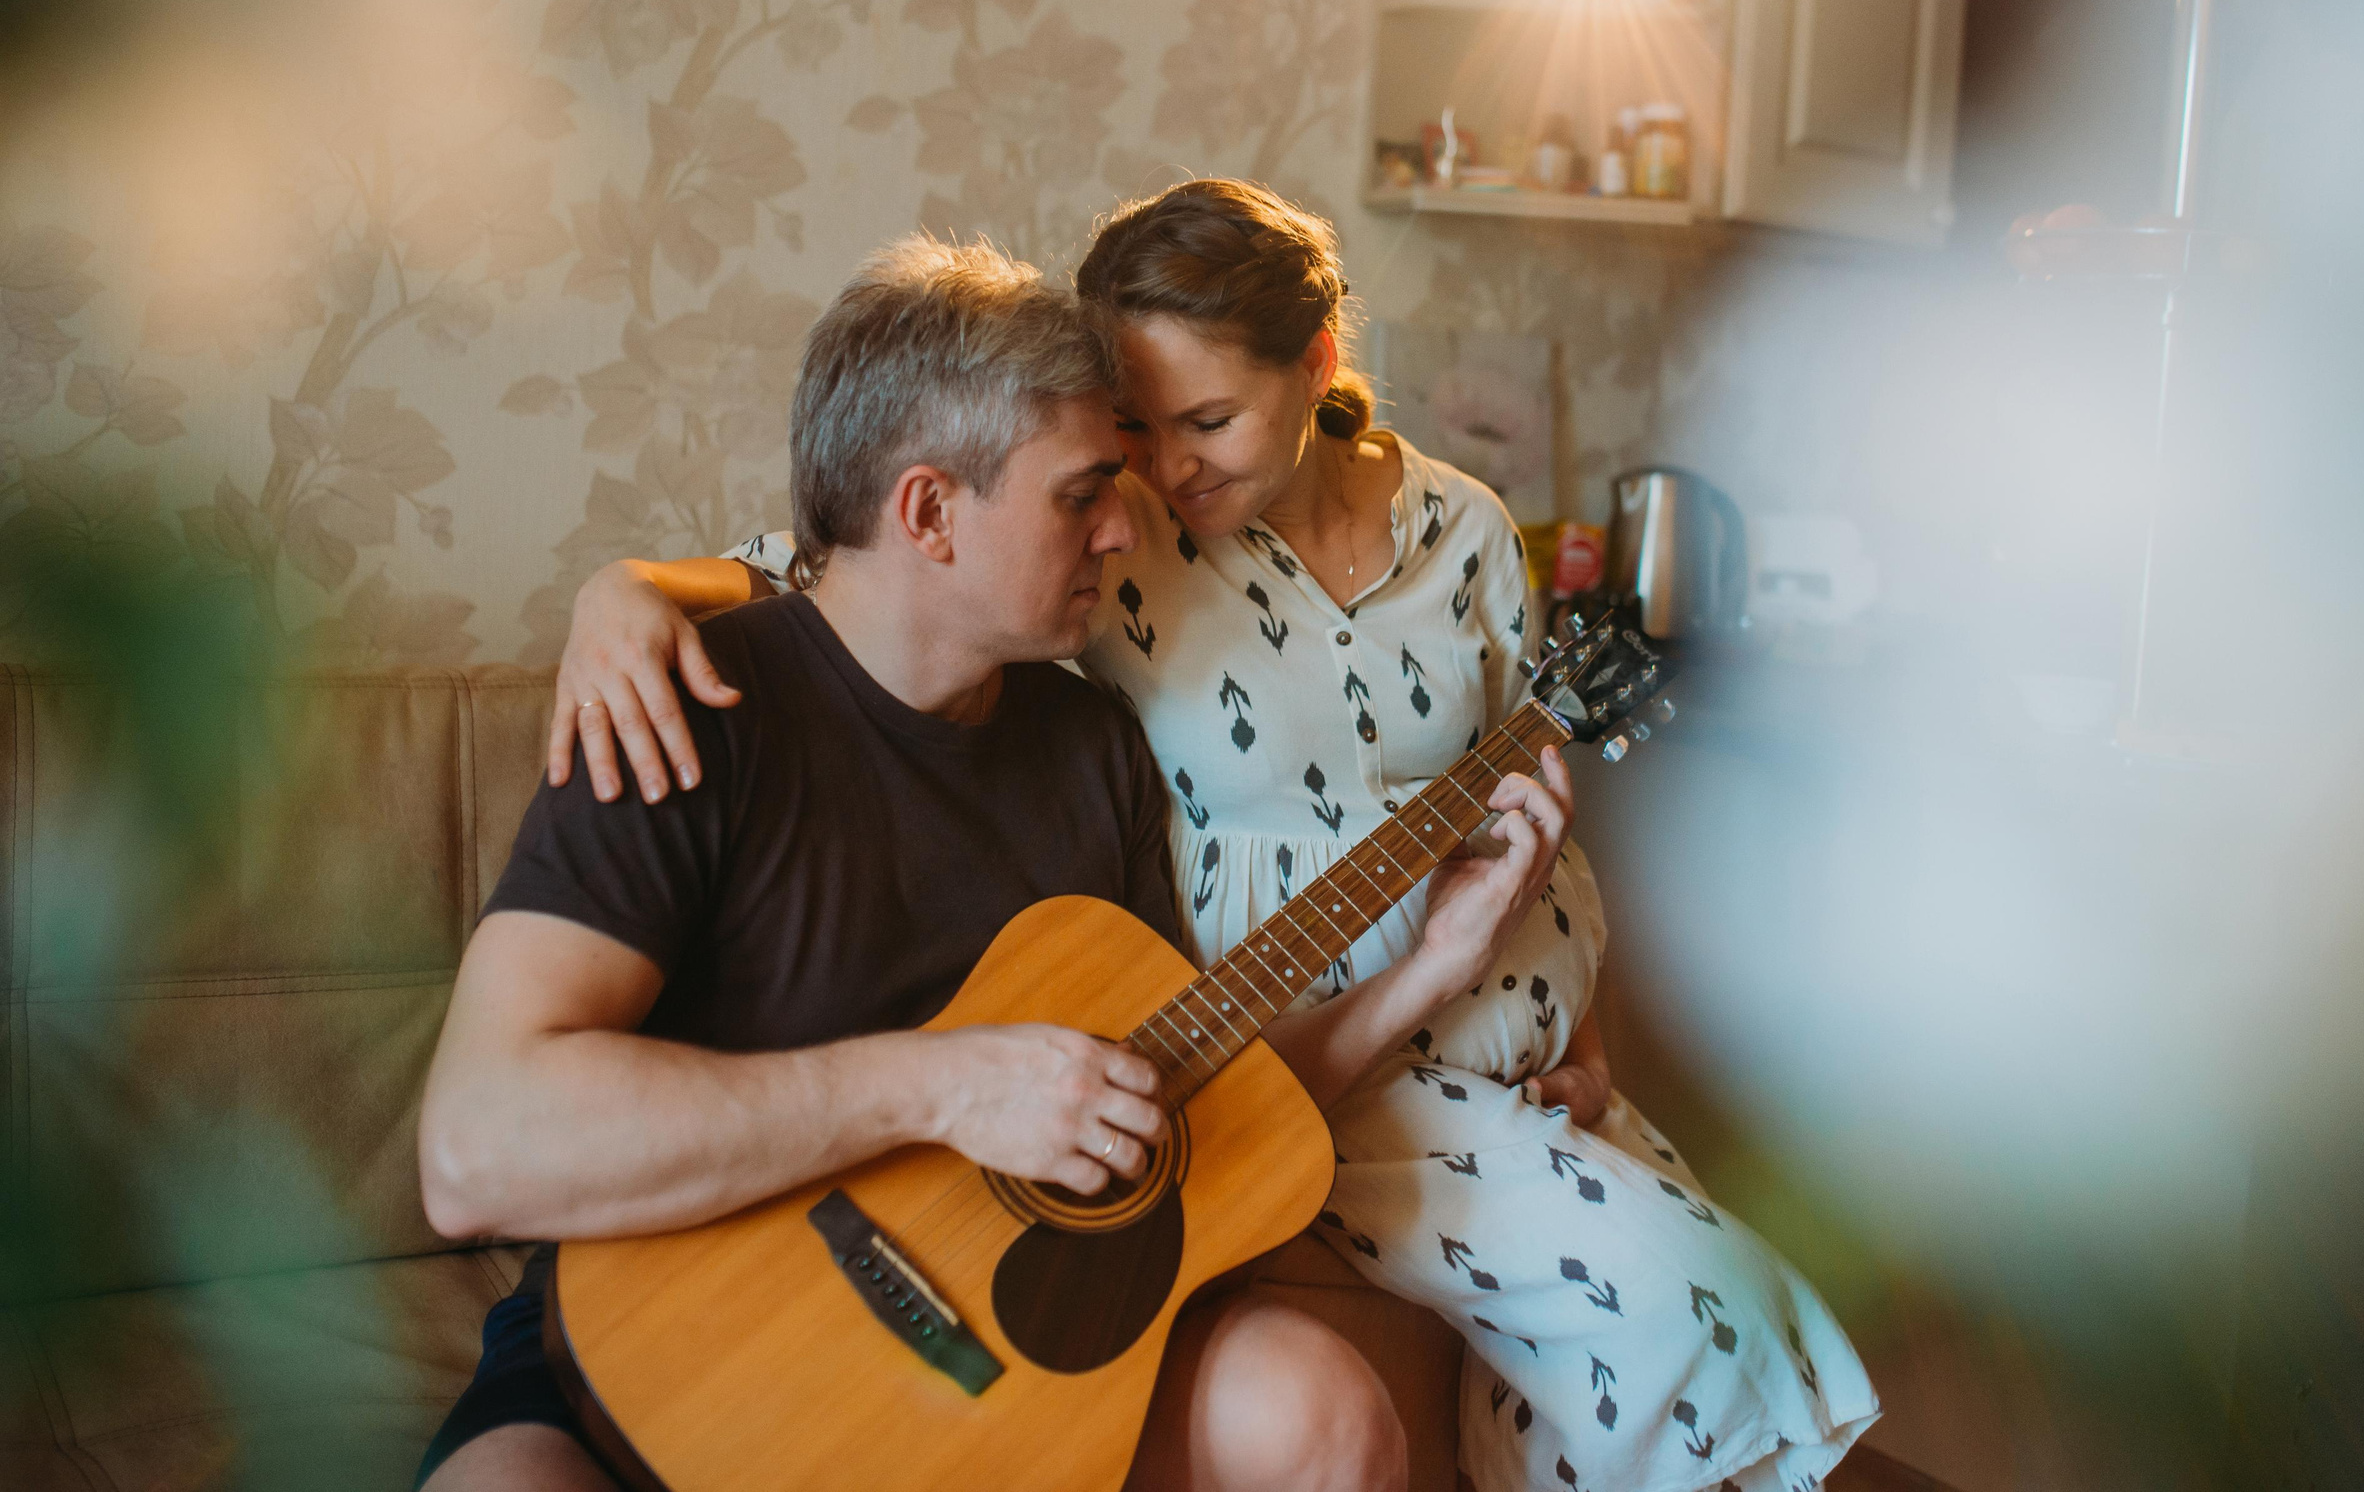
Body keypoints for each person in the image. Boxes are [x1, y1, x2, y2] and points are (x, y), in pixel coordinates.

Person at [554, 181, 1877, 1492]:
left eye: (1208, 420)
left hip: (1507, 1038)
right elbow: (856, 561)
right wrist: (626, 591)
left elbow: (1529, 816)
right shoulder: (1116, 542)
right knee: (1712, 1309)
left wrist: (1584, 1045)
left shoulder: (1469, 528)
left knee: (1699, 1349)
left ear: (1317, 365)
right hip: (1302, 1049)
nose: (1167, 468)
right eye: (1136, 428)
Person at [414, 234, 1576, 1492]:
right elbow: (475, 1152)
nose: (1127, 529)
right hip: (651, 1345)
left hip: (994, 1376)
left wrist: (1433, 966)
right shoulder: (683, 708)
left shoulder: (1095, 751)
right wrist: (935, 1088)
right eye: (1081, 493)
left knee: (1316, 1412)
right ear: (926, 512)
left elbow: (1177, 1085)